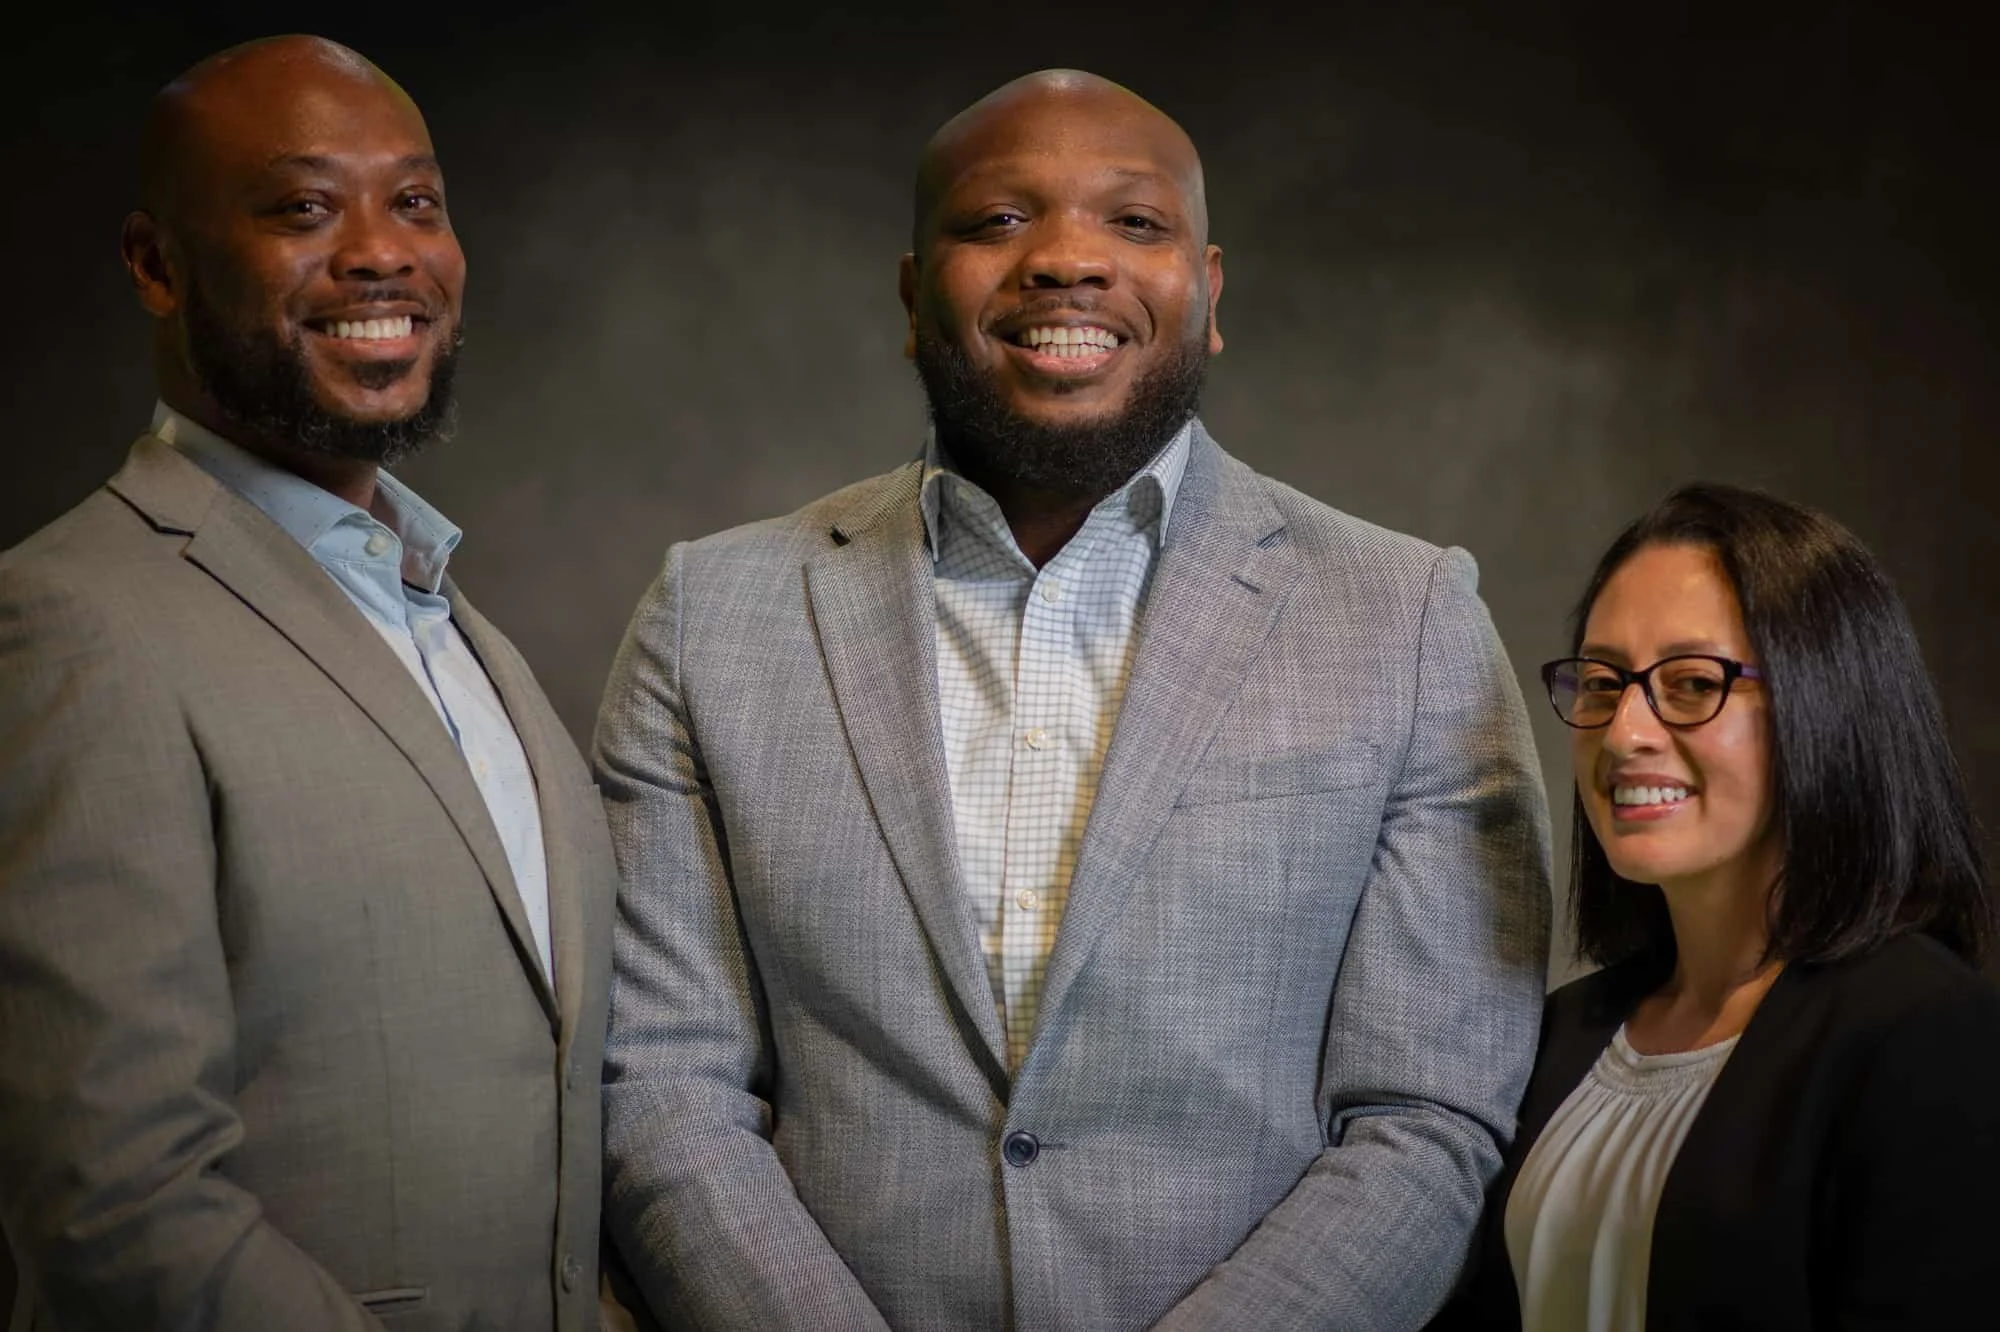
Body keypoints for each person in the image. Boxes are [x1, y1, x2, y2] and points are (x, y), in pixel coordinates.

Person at [595, 68, 1551, 1330]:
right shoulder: (710, 615)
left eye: (1132, 223)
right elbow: (663, 1089)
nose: (1063, 260)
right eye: (996, 221)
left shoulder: (1405, 616)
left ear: (1207, 294)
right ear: (908, 294)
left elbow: (1428, 1113)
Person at [0, 36, 614, 1331]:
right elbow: (114, 1203)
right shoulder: (66, 622)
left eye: (415, 201)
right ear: (156, 265)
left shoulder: (453, 625)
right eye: (301, 208)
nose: (381, 251)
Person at [1436, 483, 2000, 1330]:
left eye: (1692, 682)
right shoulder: (1556, 1037)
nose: (1625, 732)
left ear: (1829, 705)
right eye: (1601, 682)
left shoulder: (1928, 1036)